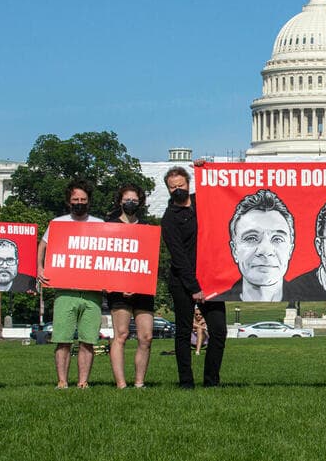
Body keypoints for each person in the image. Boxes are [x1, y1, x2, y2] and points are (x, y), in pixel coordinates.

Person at [160, 166, 227, 389]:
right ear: (168, 190)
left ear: (189, 183)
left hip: (211, 277)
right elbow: (178, 257)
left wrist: (205, 168)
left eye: (181, 185)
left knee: (218, 330)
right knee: (182, 332)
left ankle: (211, 379)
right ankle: (186, 381)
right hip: (183, 281)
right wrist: (194, 286)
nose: (178, 189)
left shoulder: (202, 203)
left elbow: (224, 190)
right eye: (173, 187)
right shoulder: (169, 218)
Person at [37, 180, 104, 389]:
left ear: (89, 201)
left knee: (88, 340)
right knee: (63, 338)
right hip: (65, 291)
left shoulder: (99, 224)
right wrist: (39, 268)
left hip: (92, 291)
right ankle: (62, 380)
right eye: (75, 200)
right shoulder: (58, 223)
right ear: (69, 201)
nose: (79, 203)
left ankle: (83, 381)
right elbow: (43, 245)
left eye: (83, 200)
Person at [105, 184, 154, 389]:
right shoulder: (110, 227)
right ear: (120, 202)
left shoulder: (147, 228)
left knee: (146, 336)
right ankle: (121, 383)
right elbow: (105, 259)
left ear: (140, 202)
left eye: (134, 200)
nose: (130, 203)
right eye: (127, 200)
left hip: (142, 289)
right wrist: (116, 285)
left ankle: (139, 382)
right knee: (122, 334)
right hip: (118, 290)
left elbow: (149, 260)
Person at [216, 189, 295, 301]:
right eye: (251, 238)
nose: (265, 250)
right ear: (234, 250)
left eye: (277, 239)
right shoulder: (216, 304)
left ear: (290, 250)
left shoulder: (307, 297)